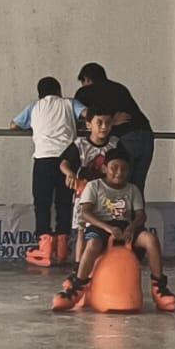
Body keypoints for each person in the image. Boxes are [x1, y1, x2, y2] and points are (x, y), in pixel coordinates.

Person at [52, 147, 175, 311]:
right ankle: (77, 287)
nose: (119, 172)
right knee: (93, 245)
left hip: (125, 227)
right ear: (104, 168)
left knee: (150, 240)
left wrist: (132, 228)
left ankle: (159, 287)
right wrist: (108, 228)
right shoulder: (94, 186)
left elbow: (141, 215)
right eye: (114, 168)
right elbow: (86, 213)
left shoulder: (132, 190)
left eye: (124, 169)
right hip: (100, 225)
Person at [9, 76, 85, 267]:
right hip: (67, 160)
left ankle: (44, 245)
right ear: (59, 91)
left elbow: (13, 124)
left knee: (42, 203)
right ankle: (61, 246)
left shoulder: (34, 107)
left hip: (43, 159)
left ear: (40, 93)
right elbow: (86, 113)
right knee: (64, 202)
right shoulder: (69, 104)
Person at [74, 63, 155, 193]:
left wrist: (110, 121)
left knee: (119, 186)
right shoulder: (119, 88)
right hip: (146, 135)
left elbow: (83, 120)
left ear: (87, 79)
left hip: (125, 138)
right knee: (137, 188)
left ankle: (122, 213)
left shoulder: (85, 92)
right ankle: (138, 212)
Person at [59, 111, 121, 269]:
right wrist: (70, 174)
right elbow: (63, 163)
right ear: (88, 124)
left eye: (108, 122)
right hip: (84, 194)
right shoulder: (80, 144)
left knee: (106, 228)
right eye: (99, 122)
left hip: (108, 196)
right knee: (82, 231)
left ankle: (105, 266)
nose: (104, 127)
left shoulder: (115, 143)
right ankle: (78, 267)